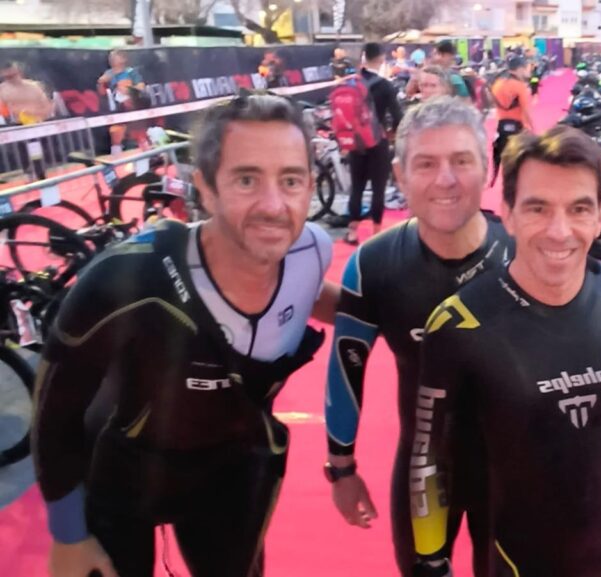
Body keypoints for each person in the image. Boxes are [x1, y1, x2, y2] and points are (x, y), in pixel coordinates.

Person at [32, 92, 339, 577]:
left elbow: (316, 294)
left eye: (291, 180)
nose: (273, 205)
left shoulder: (311, 252)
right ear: (206, 189)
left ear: (310, 186)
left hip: (232, 474)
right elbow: (54, 409)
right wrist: (68, 534)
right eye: (246, 179)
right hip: (120, 475)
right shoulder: (129, 277)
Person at [411, 126, 601, 577]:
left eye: (578, 208)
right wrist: (431, 564)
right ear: (507, 214)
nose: (559, 231)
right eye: (538, 208)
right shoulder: (460, 324)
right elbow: (430, 457)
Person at [325, 97, 512, 577]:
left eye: (461, 161)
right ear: (400, 175)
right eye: (426, 164)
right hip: (423, 472)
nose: (445, 179)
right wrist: (341, 468)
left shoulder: (523, 254)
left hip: (516, 473)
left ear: (487, 168)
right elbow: (346, 369)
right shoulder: (376, 263)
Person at [326, 42, 403, 245]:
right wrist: (391, 133)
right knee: (378, 189)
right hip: (378, 142)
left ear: (363, 57)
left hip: (356, 143)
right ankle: (376, 233)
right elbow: (398, 116)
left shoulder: (350, 82)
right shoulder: (385, 86)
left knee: (357, 188)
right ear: (381, 58)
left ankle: (352, 233)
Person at [488, 56, 534, 187]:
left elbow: (492, 102)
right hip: (518, 126)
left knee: (502, 155)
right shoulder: (519, 86)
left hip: (501, 125)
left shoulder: (497, 84)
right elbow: (525, 110)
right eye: (525, 68)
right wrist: (532, 127)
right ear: (519, 69)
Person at [97, 50, 147, 154]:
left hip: (132, 109)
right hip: (115, 110)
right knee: (116, 133)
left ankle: (143, 155)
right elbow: (101, 92)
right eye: (110, 57)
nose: (111, 59)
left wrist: (128, 89)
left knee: (137, 134)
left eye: (114, 57)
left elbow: (141, 87)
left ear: (123, 59)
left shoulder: (131, 72)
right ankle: (116, 155)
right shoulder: (108, 73)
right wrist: (101, 83)